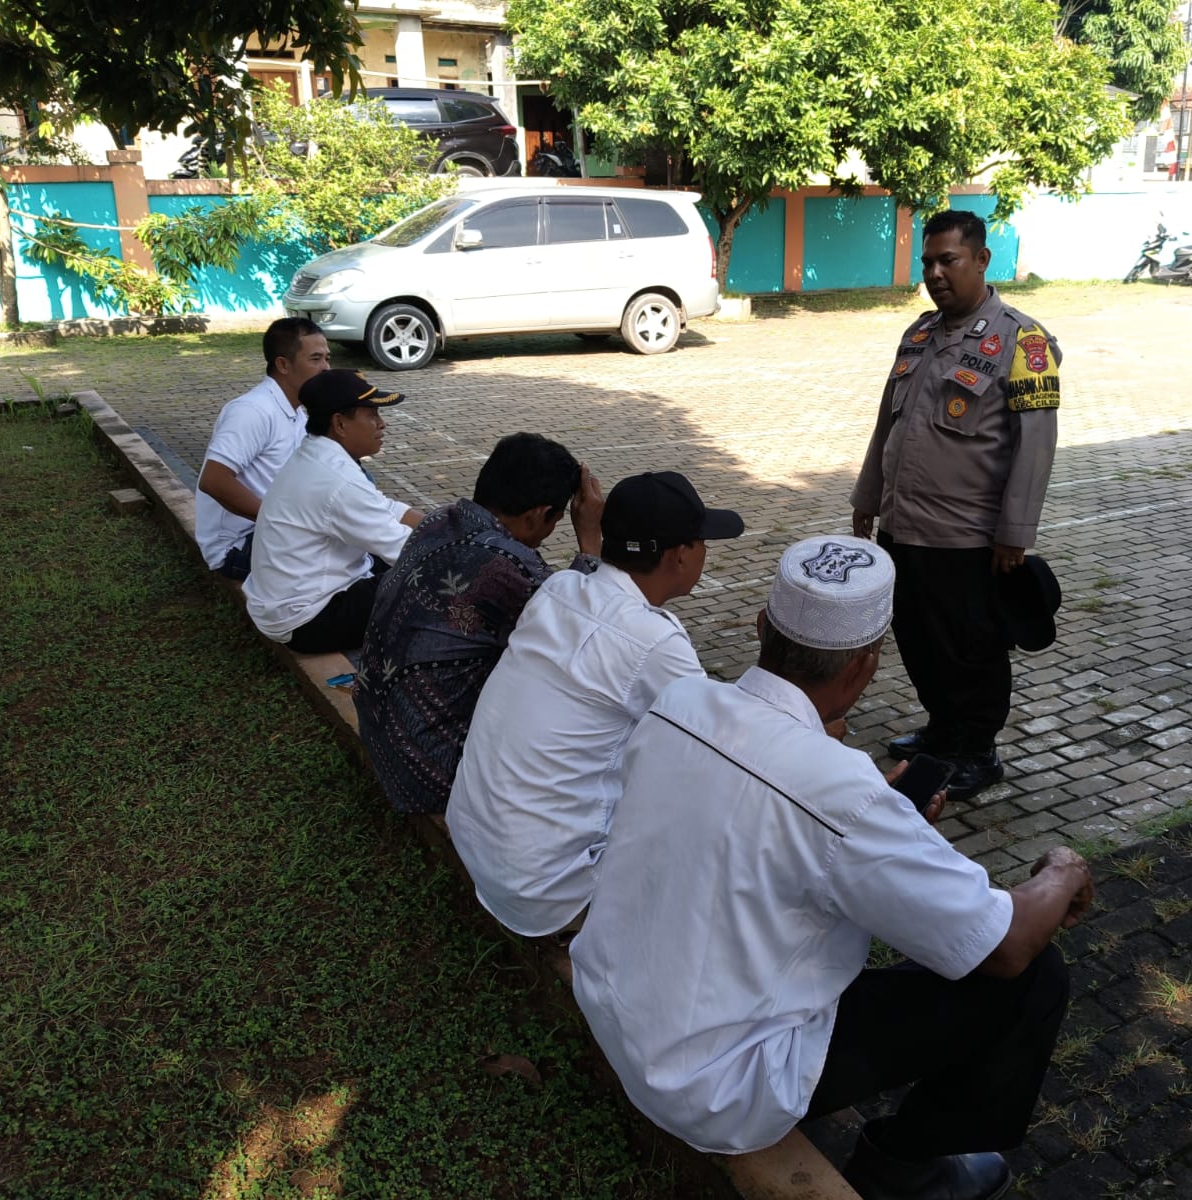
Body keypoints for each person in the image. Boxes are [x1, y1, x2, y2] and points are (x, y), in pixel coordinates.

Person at [570, 535, 1092, 1200]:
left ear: (762, 627)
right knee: (1036, 976)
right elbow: (1007, 945)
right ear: (866, 664)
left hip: (613, 1010)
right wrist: (1063, 871)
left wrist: (885, 820)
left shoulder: (678, 704)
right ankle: (905, 1165)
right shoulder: (845, 793)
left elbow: (750, 822)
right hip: (716, 1090)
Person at [445, 470, 744, 937]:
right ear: (680, 555)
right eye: (702, 541)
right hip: (544, 893)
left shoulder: (559, 590)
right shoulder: (656, 641)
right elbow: (725, 748)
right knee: (715, 803)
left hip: (478, 844)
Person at [851, 209, 1061, 801]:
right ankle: (943, 729)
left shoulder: (1023, 341)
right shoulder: (918, 334)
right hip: (904, 526)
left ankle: (977, 750)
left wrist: (1015, 531)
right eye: (928, 262)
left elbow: (1036, 445)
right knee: (918, 638)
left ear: (982, 260)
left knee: (970, 649)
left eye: (949, 260)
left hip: (967, 537)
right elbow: (886, 425)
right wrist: (868, 498)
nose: (935, 273)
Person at [354, 433, 605, 815]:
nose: (550, 531)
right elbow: (581, 629)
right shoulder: (509, 566)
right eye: (554, 520)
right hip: (431, 771)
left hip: (380, 732)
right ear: (537, 515)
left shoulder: (438, 521)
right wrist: (590, 541)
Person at [244, 370, 426, 654]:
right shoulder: (338, 480)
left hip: (286, 604)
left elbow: (385, 508)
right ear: (339, 423)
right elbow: (408, 550)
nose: (382, 423)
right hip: (310, 620)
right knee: (436, 579)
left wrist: (442, 522)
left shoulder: (318, 453)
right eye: (372, 415)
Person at [194, 317, 331, 581]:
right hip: (238, 545)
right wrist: (284, 522)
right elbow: (213, 481)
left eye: (327, 358)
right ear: (283, 365)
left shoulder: (296, 412)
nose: (326, 368)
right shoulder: (252, 411)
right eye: (315, 359)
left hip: (272, 530)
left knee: (362, 542)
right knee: (354, 556)